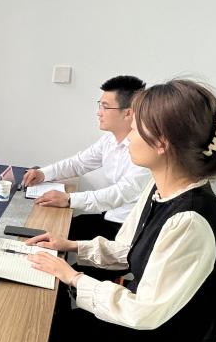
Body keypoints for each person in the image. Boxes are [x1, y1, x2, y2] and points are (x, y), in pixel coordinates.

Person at [25, 79, 216, 342]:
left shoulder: (191, 220)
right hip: (147, 328)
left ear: (162, 143)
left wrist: (73, 276)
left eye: (137, 129)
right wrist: (70, 245)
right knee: (50, 325)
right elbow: (126, 248)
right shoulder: (161, 189)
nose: (128, 138)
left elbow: (143, 312)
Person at [21, 76, 152, 242]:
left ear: (128, 113)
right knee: (43, 231)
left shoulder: (145, 151)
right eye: (100, 105)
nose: (99, 113)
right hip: (109, 215)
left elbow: (121, 193)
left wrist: (69, 199)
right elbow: (78, 163)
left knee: (48, 236)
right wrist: (43, 173)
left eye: (105, 107)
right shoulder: (109, 140)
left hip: (125, 230)